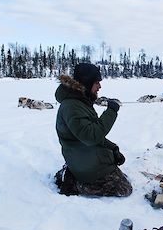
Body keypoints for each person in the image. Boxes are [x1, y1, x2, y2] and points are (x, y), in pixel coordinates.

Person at [54, 63, 132, 197]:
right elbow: (91, 136)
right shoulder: (72, 106)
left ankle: (73, 173)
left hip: (85, 156)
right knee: (124, 189)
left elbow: (94, 132)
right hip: (83, 161)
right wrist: (111, 111)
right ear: (86, 83)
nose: (99, 86)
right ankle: (72, 182)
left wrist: (113, 149)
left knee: (121, 179)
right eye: (96, 83)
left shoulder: (81, 101)